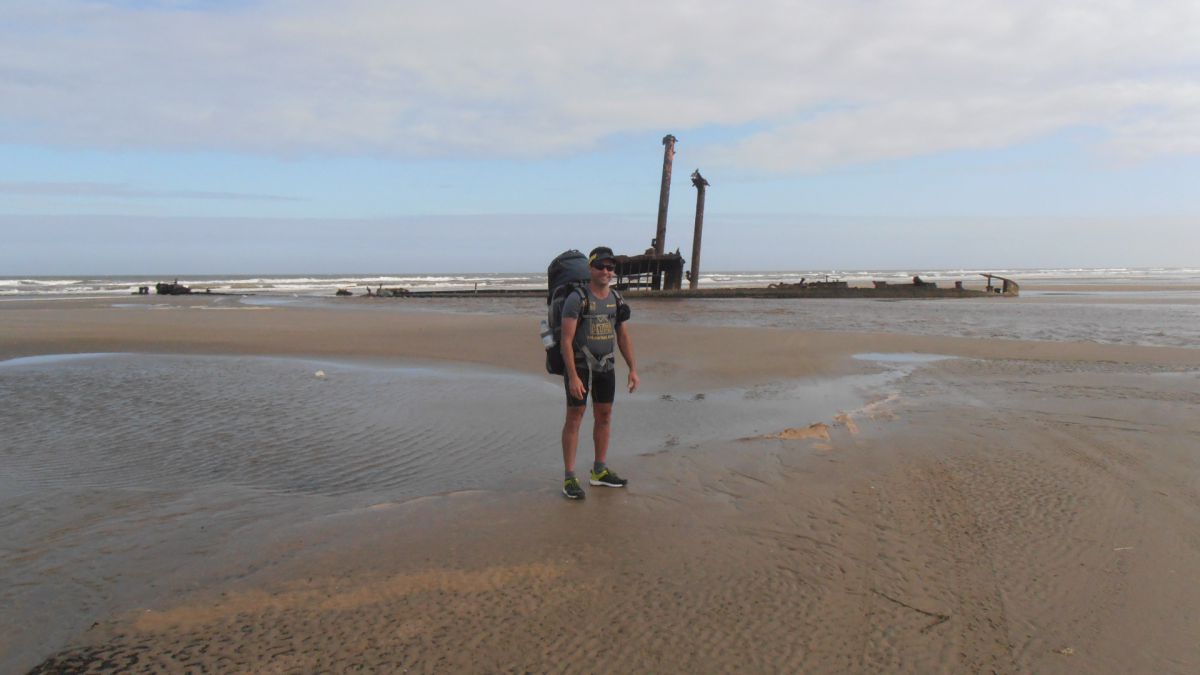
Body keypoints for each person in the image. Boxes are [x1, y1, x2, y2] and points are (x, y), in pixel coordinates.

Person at [558, 246, 639, 500]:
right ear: (590, 268)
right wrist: (573, 376)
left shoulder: (616, 299)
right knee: (575, 417)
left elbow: (622, 336)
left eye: (610, 267)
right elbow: (565, 340)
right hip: (580, 365)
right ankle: (570, 478)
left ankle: (599, 471)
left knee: (604, 415)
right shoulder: (577, 299)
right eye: (601, 266)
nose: (606, 271)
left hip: (607, 366)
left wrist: (633, 369)